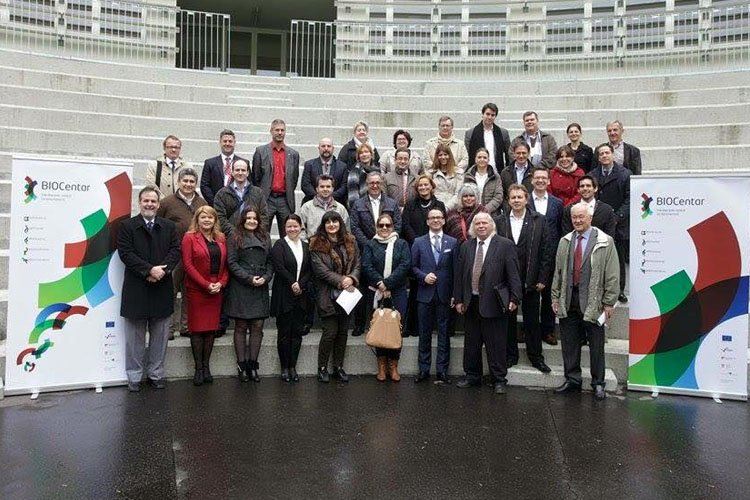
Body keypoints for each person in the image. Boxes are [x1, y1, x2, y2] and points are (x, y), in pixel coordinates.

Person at [552, 202, 619, 400]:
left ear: (590, 218)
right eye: (574, 217)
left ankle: (598, 383)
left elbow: (612, 274)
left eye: (581, 217)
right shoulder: (565, 241)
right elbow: (558, 272)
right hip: (569, 299)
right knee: (569, 344)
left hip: (594, 302)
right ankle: (573, 380)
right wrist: (555, 296)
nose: (578, 220)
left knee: (596, 345)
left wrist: (609, 302)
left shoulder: (605, 242)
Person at [117, 186, 181, 392]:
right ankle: (134, 376)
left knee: (160, 337)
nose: (149, 204)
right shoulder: (127, 226)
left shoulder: (169, 226)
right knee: (134, 338)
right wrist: (149, 270)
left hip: (162, 286)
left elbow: (175, 251)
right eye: (146, 201)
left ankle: (156, 374)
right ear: (139, 202)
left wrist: (163, 271)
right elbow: (125, 253)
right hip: (137, 287)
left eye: (153, 201)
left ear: (158, 204)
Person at [453, 213, 521, 394]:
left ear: (492, 225)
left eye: (484, 223)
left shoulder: (505, 245)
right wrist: (458, 299)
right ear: (473, 227)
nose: (481, 226)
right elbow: (460, 275)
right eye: (477, 223)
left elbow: (513, 274)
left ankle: (499, 379)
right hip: (471, 302)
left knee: (496, 344)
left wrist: (515, 298)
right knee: (472, 344)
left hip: (495, 302)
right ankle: (472, 376)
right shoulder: (466, 246)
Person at [494, 184, 552, 373]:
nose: (516, 200)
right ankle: (511, 356)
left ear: (527, 199)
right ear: (508, 200)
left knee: (532, 321)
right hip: (507, 280)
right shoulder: (500, 221)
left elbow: (546, 251)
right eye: (513, 197)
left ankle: (536, 358)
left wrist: (543, 277)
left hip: (531, 279)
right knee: (508, 321)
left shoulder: (539, 220)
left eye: (520, 197)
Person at [309, 211, 361, 383]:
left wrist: (351, 278)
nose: (332, 225)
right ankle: (322, 368)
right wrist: (342, 281)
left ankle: (338, 367)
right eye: (328, 222)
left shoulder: (350, 241)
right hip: (327, 294)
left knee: (342, 332)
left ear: (340, 223)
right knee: (330, 332)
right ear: (323, 225)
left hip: (347, 295)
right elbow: (320, 271)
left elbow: (358, 264)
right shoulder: (316, 244)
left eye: (335, 221)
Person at [156, 168, 208, 340]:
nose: (188, 184)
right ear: (178, 182)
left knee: (190, 291)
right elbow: (158, 226)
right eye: (185, 181)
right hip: (174, 253)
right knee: (170, 290)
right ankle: (168, 329)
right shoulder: (167, 202)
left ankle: (186, 326)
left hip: (195, 255)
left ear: (196, 183)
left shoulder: (202, 203)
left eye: (192, 181)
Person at [224, 207, 274, 383]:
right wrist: (248, 278)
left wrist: (266, 277)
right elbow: (232, 262)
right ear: (243, 220)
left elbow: (270, 262)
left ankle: (253, 365)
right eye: (248, 218)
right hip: (242, 285)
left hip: (260, 284)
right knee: (241, 325)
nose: (252, 221)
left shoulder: (265, 236)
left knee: (258, 325)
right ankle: (242, 366)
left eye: (254, 218)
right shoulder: (234, 236)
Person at [349, 171, 402, 336]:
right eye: (371, 183)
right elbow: (354, 227)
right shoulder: (358, 204)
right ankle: (360, 324)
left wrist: (388, 241)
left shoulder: (392, 203)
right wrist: (370, 244)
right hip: (365, 249)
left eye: (377, 183)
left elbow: (397, 224)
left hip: (388, 250)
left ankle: (384, 324)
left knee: (385, 285)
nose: (374, 185)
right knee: (363, 288)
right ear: (367, 184)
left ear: (382, 184)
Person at [181, 206, 228, 386]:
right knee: (197, 329)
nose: (207, 220)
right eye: (203, 217)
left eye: (210, 217)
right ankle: (198, 369)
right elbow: (188, 265)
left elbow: (226, 266)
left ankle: (207, 367)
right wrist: (205, 284)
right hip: (197, 289)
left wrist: (221, 283)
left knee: (210, 330)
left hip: (216, 289)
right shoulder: (189, 237)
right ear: (197, 219)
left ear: (215, 220)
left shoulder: (221, 238)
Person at [362, 213, 411, 382]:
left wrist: (388, 284)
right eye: (381, 225)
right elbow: (366, 265)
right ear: (376, 227)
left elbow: (405, 265)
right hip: (376, 291)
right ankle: (382, 366)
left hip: (397, 291)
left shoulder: (401, 244)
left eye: (387, 225)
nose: (384, 228)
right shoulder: (370, 244)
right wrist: (380, 284)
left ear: (393, 227)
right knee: (380, 327)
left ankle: (393, 366)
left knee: (395, 328)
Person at [412, 207, 458, 384]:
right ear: (427, 222)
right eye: (432, 218)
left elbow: (456, 271)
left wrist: (455, 294)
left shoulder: (452, 242)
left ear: (444, 220)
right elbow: (412, 267)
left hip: (445, 295)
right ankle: (423, 369)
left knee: (444, 334)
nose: (436, 220)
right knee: (424, 333)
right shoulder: (418, 242)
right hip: (425, 294)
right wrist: (423, 276)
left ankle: (442, 371)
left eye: (439, 217)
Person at [270, 214, 312, 383]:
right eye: (289, 226)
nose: (292, 229)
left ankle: (293, 366)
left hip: (300, 295)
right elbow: (279, 267)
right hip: (284, 294)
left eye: (295, 226)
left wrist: (300, 284)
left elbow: (309, 270)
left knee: (297, 334)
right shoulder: (280, 245)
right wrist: (292, 283)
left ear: (301, 227)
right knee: (284, 333)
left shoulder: (306, 246)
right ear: (284, 228)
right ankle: (284, 367)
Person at [527, 167, 564, 346]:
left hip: (552, 254)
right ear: (532, 180)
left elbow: (560, 228)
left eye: (544, 178)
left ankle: (547, 330)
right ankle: (531, 331)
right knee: (531, 297)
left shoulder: (557, 203)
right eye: (537, 178)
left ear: (549, 181)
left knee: (549, 294)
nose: (540, 180)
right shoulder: (524, 200)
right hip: (530, 254)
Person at [590, 143, 631, 303]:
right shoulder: (592, 175)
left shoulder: (625, 174)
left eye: (607, 153)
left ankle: (619, 290)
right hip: (598, 222)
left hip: (619, 223)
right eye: (601, 154)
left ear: (612, 154)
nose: (604, 156)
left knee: (618, 258)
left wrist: (617, 216)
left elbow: (629, 199)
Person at [251, 119, 300, 237]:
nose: (280, 133)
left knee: (288, 235)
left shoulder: (293, 154)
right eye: (277, 130)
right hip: (267, 199)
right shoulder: (260, 151)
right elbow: (256, 177)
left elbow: (294, 178)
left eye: (282, 130)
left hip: (285, 200)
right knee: (262, 234)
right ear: (271, 131)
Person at [214, 159, 268, 236]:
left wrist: (255, 233)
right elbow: (220, 218)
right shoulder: (222, 194)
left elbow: (264, 216)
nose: (240, 173)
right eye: (237, 170)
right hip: (230, 237)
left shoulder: (258, 193)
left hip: (254, 236)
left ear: (247, 173)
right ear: (232, 172)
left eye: (243, 170)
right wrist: (234, 233)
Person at [200, 129, 247, 206]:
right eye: (225, 141)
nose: (227, 144)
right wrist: (216, 203)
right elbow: (204, 186)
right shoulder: (210, 163)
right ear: (220, 142)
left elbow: (248, 185)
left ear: (234, 143)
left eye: (230, 141)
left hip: (237, 206)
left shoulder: (244, 163)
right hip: (215, 205)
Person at [297, 174, 350, 241]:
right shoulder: (306, 207)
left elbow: (346, 230)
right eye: (322, 186)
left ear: (332, 189)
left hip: (336, 245)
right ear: (317, 189)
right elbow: (301, 230)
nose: (325, 189)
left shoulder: (341, 209)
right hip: (313, 245)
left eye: (328, 186)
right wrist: (306, 244)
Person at [401, 174, 447, 246]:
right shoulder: (410, 205)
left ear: (431, 186)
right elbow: (406, 225)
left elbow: (443, 225)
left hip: (435, 243)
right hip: (414, 243)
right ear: (417, 188)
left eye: (426, 184)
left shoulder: (440, 205)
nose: (423, 187)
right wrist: (417, 241)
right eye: (420, 185)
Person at [301, 138, 348, 205]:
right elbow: (305, 185)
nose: (326, 148)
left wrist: (329, 198)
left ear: (333, 148)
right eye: (323, 146)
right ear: (319, 148)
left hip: (336, 204)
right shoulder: (309, 165)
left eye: (329, 146)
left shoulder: (342, 166)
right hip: (313, 203)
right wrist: (319, 197)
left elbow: (344, 187)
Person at [464, 102, 511, 170]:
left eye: (493, 115)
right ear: (482, 114)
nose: (490, 117)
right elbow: (467, 156)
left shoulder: (503, 133)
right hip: (477, 173)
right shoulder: (470, 133)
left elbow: (508, 155)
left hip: (497, 172)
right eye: (487, 114)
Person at [146, 135, 191, 199]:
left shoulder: (187, 167)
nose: (173, 150)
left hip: (181, 203)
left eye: (176, 147)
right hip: (160, 203)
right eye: (170, 147)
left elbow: (190, 187)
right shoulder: (154, 166)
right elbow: (151, 187)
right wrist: (166, 202)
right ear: (164, 148)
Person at [463, 147, 504, 216]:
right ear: (475, 159)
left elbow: (498, 197)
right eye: (479, 157)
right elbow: (464, 195)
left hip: (491, 214)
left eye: (485, 157)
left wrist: (485, 209)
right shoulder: (467, 176)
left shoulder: (496, 177)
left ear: (488, 160)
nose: (482, 159)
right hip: (471, 213)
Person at [429, 143, 464, 210]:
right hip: (436, 208)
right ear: (437, 157)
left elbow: (458, 194)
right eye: (440, 155)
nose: (443, 157)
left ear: (449, 156)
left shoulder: (458, 172)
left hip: (454, 209)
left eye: (445, 154)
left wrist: (447, 208)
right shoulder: (431, 173)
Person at [345, 143, 380, 209]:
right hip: (361, 209)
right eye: (361, 153)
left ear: (371, 155)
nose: (364, 154)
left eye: (366, 152)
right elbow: (353, 197)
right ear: (358, 157)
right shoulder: (354, 172)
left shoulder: (378, 171)